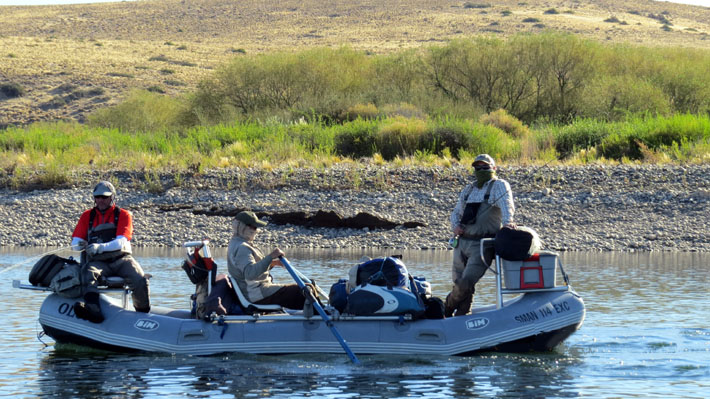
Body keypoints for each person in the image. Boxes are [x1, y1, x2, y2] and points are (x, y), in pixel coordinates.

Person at [445, 154, 516, 317]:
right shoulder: (468, 189)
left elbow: (507, 206)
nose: (481, 171)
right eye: (478, 168)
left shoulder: (500, 185)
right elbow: (456, 213)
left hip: (483, 245)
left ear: (494, 168)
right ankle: (462, 317)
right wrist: (455, 226)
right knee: (458, 284)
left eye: (485, 168)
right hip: (461, 243)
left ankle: (446, 308)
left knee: (465, 283)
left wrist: (508, 223)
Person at [71, 181, 150, 323]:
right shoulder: (87, 216)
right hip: (98, 262)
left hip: (122, 260)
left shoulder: (124, 215)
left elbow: (121, 241)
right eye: (98, 197)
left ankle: (143, 313)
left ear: (112, 197)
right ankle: (93, 309)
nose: (100, 200)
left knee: (139, 278)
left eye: (104, 197)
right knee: (88, 273)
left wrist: (99, 247)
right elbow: (75, 243)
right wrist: (79, 244)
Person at [227, 211, 307, 310]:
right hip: (257, 295)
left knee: (305, 288)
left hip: (259, 290)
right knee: (304, 290)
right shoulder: (242, 248)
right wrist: (271, 256)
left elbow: (249, 268)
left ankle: (312, 314)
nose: (256, 231)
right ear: (243, 227)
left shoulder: (235, 243)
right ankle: (321, 318)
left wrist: (273, 263)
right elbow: (250, 273)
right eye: (254, 227)